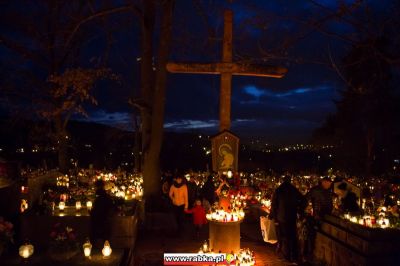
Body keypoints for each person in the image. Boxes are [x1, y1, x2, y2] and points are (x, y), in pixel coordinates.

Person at [269, 175, 305, 263]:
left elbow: (274, 204)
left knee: (284, 237)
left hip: (281, 217)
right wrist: (300, 210)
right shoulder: (294, 190)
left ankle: (287, 255)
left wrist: (272, 216)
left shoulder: (279, 190)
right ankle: (293, 256)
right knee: (292, 236)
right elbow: (303, 200)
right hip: (292, 216)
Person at [90, 179, 115, 248]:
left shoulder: (99, 197)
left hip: (99, 220)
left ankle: (95, 247)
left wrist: (91, 212)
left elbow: (95, 211)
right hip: (105, 220)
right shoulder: (106, 196)